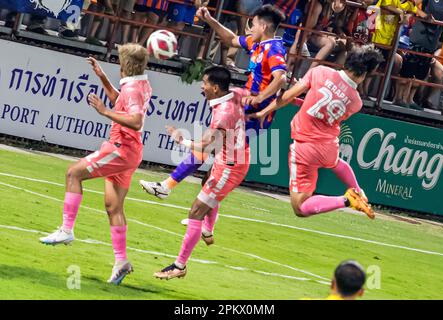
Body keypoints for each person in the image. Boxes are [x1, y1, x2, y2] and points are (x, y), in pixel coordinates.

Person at [140, 4, 287, 200]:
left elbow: (281, 78)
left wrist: (260, 98)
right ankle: (194, 213)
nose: (249, 29)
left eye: (252, 25)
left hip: (255, 114)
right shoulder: (256, 44)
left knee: (213, 152)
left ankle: (168, 188)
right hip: (245, 106)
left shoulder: (274, 48)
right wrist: (209, 19)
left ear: (264, 27)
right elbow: (230, 39)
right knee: (212, 158)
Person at [39, 44, 152, 285]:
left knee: (73, 174)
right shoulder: (139, 83)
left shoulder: (133, 87)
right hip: (131, 151)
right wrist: (102, 77)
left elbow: (135, 120)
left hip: (121, 148)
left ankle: (66, 230)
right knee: (113, 208)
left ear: (126, 65)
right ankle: (121, 262)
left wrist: (104, 112)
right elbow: (121, 102)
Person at [249, 45, 384, 220]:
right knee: (335, 163)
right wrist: (302, 102)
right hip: (328, 147)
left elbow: (289, 96)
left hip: (306, 147)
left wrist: (263, 112)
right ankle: (358, 190)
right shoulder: (356, 102)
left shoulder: (320, 72)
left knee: (301, 207)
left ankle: (346, 200)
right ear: (366, 74)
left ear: (347, 61)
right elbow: (326, 110)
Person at [153, 66, 250, 279]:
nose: (202, 86)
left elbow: (206, 146)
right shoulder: (234, 94)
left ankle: (180, 266)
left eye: (204, 83)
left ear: (215, 88)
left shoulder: (223, 115)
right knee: (205, 189)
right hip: (233, 158)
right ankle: (207, 229)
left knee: (196, 211)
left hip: (230, 166)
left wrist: (181, 139)